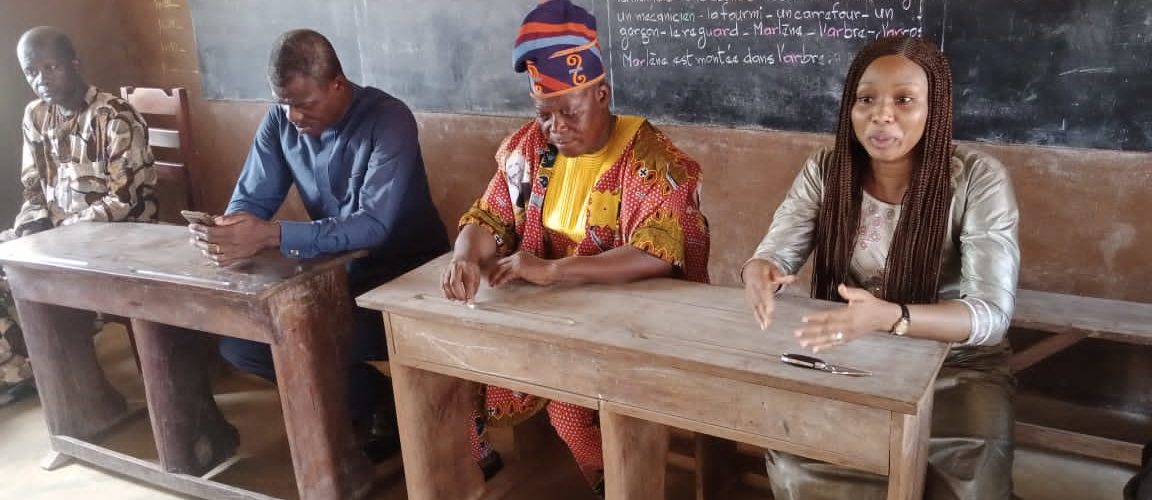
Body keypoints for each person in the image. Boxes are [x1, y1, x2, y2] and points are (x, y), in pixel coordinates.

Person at [440, 0, 711, 494]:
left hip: (629, 322)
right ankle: (479, 467)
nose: (555, 128)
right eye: (545, 114)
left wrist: (554, 271)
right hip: (551, 317)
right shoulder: (531, 148)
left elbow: (656, 254)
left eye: (569, 112)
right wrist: (464, 256)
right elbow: (489, 215)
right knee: (453, 359)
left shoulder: (651, 159)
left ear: (602, 95)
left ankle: (615, 482)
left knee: (570, 406)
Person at [743, 36, 1020, 500]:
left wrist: (893, 317)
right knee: (797, 462)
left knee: (973, 474)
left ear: (934, 108)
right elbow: (776, 251)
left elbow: (991, 315)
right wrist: (760, 269)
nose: (882, 115)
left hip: (957, 364)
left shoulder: (976, 178)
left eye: (904, 100)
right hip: (852, 350)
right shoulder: (826, 170)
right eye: (866, 99)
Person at [188, 29, 450, 458]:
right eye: (284, 103)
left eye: (305, 104)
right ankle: (376, 401)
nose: (294, 116)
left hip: (407, 279)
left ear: (337, 85)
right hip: (335, 275)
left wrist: (271, 234)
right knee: (243, 343)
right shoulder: (280, 122)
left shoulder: (388, 120)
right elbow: (252, 199)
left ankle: (377, 415)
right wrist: (230, 230)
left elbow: (372, 226)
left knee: (304, 337)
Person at [0, 26, 158, 405]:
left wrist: (57, 233)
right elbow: (33, 189)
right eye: (31, 71)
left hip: (114, 240)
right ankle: (31, 369)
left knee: (37, 278)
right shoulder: (36, 116)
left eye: (51, 67)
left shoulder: (114, 117)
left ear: (74, 63)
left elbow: (125, 201)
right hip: (54, 237)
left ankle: (56, 372)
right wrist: (30, 230)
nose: (41, 79)